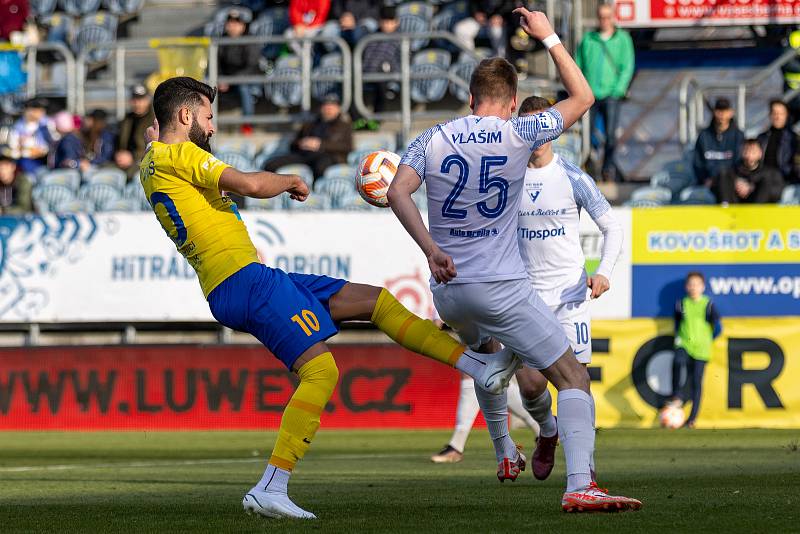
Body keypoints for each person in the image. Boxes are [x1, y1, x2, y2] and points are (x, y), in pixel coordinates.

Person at [141, 76, 519, 520]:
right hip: (243, 281)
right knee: (321, 370)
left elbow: (166, 148)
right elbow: (249, 183)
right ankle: (272, 485)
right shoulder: (180, 153)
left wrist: (157, 138)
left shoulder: (156, 159)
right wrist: (289, 180)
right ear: (185, 116)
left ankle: (480, 367)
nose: (213, 127)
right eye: (207, 117)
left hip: (245, 279)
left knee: (374, 301)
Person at [388, 9, 640, 513]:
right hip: (501, 285)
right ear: (510, 102)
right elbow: (585, 98)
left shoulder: (433, 137)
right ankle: (580, 486)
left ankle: (504, 446)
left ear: (471, 97)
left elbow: (397, 191)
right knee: (572, 377)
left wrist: (432, 250)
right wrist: (547, 36)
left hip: (449, 289)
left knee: (488, 360)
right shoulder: (520, 133)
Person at [428, 95, 624, 482]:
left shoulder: (571, 177)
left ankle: (586, 469)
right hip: (521, 296)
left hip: (569, 296)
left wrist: (603, 272)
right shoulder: (505, 176)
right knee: (532, 386)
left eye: (546, 124)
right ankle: (547, 432)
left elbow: (612, 226)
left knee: (575, 379)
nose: (540, 134)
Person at [575, 2, 634, 182]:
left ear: (613, 17)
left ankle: (608, 168)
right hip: (590, 94)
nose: (604, 21)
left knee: (610, 135)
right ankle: (591, 165)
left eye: (608, 17)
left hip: (611, 94)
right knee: (587, 133)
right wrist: (581, 89)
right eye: (601, 17)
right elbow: (578, 66)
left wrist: (619, 89)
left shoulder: (622, 38)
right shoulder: (588, 39)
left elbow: (627, 66)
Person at [666, 272, 722, 429]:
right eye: (690, 284)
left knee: (696, 382)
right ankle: (676, 395)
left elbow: (717, 327)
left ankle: (692, 419)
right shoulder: (681, 304)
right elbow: (677, 323)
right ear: (686, 286)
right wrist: (679, 337)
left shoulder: (708, 304)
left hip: (702, 348)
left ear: (703, 287)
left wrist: (707, 339)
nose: (693, 287)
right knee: (677, 361)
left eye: (696, 284)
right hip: (684, 344)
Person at [262, 93, 352, 181]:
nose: (328, 108)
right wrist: (302, 143)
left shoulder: (344, 125)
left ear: (338, 108)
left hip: (328, 155)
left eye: (332, 105)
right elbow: (293, 144)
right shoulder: (311, 123)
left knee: (320, 168)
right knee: (271, 164)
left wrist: (320, 144)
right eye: (325, 105)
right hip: (304, 154)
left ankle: (313, 192)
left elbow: (347, 147)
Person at [217, 9, 261, 133]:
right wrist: (219, 78)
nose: (232, 26)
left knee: (244, 87)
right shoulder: (222, 40)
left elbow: (251, 66)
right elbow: (216, 63)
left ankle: (247, 124)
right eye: (230, 23)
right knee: (208, 85)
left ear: (243, 25)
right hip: (227, 80)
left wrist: (230, 80)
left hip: (248, 80)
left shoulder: (250, 40)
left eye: (236, 23)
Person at [712, 138, 784, 204]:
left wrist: (752, 187)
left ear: (760, 153)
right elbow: (717, 185)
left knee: (766, 182)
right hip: (735, 205)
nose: (750, 155)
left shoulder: (770, 173)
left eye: (753, 151)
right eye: (747, 151)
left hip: (757, 207)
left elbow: (777, 192)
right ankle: (726, 209)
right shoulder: (732, 170)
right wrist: (736, 184)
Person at [693, 97, 744, 187]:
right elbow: (698, 162)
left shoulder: (738, 136)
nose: (722, 115)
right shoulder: (704, 136)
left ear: (731, 113)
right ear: (714, 112)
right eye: (719, 111)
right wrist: (705, 180)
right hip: (708, 184)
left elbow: (740, 162)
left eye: (725, 111)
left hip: (731, 184)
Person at [115, 84, 156, 176]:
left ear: (148, 100)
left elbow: (156, 149)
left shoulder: (155, 121)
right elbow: (119, 143)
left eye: (141, 99)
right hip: (123, 164)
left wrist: (133, 158)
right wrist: (119, 155)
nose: (137, 103)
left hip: (146, 164)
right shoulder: (127, 120)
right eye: (134, 99)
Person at [6, 97, 53, 174]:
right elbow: (13, 146)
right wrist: (28, 151)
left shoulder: (47, 124)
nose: (41, 112)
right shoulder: (18, 127)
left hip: (46, 160)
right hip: (25, 161)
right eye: (38, 110)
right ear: (29, 110)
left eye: (42, 110)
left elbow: (52, 143)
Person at [757, 99, 795, 182]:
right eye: (775, 113)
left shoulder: (794, 138)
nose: (777, 117)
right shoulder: (761, 138)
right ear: (770, 115)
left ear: (786, 115)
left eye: (781, 114)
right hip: (763, 178)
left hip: (784, 178)